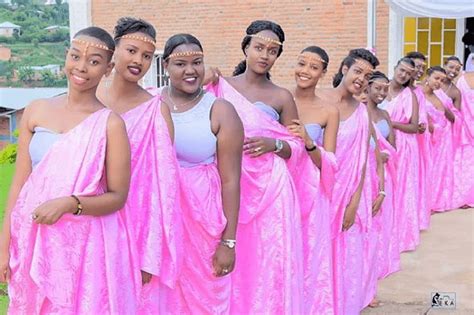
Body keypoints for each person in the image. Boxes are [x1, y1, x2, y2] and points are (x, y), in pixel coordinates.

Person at [0, 27, 138, 313]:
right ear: (66, 56)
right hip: (34, 235)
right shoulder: (36, 110)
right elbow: (19, 186)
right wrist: (4, 244)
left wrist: (69, 204)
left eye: (94, 61)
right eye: (76, 56)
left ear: (108, 68)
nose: (82, 67)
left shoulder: (110, 124)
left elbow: (118, 196)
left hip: (85, 246)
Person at [207, 20, 305, 313]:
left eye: (272, 51)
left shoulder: (282, 96)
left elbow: (297, 145)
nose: (265, 55)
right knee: (227, 252)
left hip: (272, 189)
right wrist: (205, 77)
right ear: (246, 47)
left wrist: (275, 144)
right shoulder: (220, 86)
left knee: (269, 258)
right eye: (259, 47)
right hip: (227, 179)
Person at [97, 17, 181, 312]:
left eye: (147, 56)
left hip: (134, 227)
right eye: (131, 51)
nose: (139, 61)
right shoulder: (89, 100)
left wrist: (151, 252)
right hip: (86, 220)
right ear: (114, 49)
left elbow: (163, 188)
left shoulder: (156, 111)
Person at [160, 33, 243, 314]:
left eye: (197, 62)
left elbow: (231, 180)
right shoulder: (149, 104)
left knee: (207, 299)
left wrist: (228, 242)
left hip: (203, 222)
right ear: (166, 67)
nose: (190, 70)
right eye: (180, 64)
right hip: (160, 222)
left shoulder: (220, 110)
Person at [326, 48, 379, 314]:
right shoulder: (320, 99)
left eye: (367, 76)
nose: (361, 79)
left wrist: (355, 201)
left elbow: (361, 164)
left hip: (347, 196)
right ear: (344, 69)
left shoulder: (361, 112)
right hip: (319, 194)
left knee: (347, 256)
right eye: (358, 71)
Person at [287, 45, 338, 314]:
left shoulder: (329, 111)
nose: (305, 71)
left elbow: (329, 162)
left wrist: (309, 142)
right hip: (281, 188)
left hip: (311, 191)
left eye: (313, 67)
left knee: (310, 256)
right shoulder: (280, 97)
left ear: (323, 73)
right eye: (301, 63)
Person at [364, 71, 400, 282]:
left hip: (383, 173)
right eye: (377, 88)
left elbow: (393, 146)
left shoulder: (385, 115)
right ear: (367, 88)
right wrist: (375, 155)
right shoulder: (360, 112)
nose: (381, 92)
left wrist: (386, 155)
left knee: (382, 224)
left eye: (385, 89)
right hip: (365, 175)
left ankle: (377, 269)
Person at [383, 57, 421, 252]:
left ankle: (401, 236)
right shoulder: (381, 86)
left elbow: (414, 126)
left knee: (401, 189)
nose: (403, 75)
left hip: (404, 146)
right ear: (395, 67)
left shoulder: (410, 95)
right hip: (379, 142)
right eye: (401, 70)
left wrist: (390, 123)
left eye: (408, 73)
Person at [421, 66, 456, 212]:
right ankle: (424, 203)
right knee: (426, 170)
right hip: (426, 139)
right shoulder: (418, 94)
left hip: (442, 141)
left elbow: (452, 117)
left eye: (442, 80)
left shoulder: (440, 96)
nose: (439, 82)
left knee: (438, 171)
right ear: (427, 77)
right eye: (436, 78)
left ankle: (435, 201)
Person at [405, 51, 430, 230]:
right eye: (416, 66)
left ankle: (410, 222)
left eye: (422, 67)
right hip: (399, 140)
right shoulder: (395, 88)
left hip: (417, 142)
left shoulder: (419, 91)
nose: (419, 70)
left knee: (412, 182)